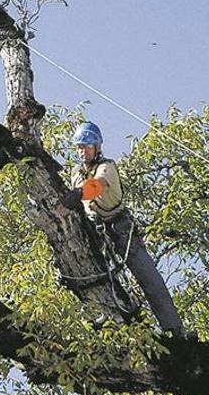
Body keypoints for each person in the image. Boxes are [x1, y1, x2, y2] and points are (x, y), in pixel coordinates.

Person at [61, 121, 187, 337]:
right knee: (94, 278)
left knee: (149, 280)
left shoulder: (106, 167)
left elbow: (97, 185)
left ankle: (175, 330)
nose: (82, 151)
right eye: (79, 147)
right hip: (96, 233)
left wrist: (78, 195)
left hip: (120, 230)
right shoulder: (76, 173)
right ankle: (108, 321)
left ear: (97, 147)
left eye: (87, 147)